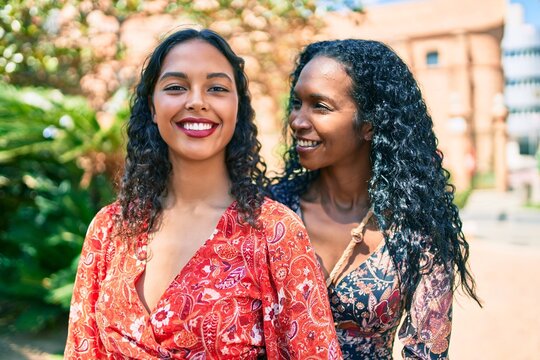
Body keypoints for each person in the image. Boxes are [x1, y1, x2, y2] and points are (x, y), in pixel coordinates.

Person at [64, 28, 341, 359]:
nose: (196, 101)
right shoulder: (110, 229)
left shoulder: (274, 232)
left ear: (237, 107)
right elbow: (82, 350)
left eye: (217, 88)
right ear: (152, 107)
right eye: (176, 87)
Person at [271, 39, 481, 359]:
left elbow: (427, 353)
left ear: (369, 123)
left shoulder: (417, 232)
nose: (298, 121)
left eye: (320, 106)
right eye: (297, 103)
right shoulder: (269, 211)